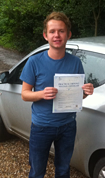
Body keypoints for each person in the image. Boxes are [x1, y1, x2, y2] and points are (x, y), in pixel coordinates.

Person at [20, 11, 94, 178]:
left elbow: (78, 96)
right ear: (45, 36)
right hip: (41, 127)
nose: (57, 35)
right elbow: (24, 94)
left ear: (68, 35)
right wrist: (41, 94)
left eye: (61, 31)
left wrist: (86, 93)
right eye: (52, 31)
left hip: (68, 126)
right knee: (37, 171)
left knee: (63, 170)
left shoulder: (75, 62)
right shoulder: (34, 62)